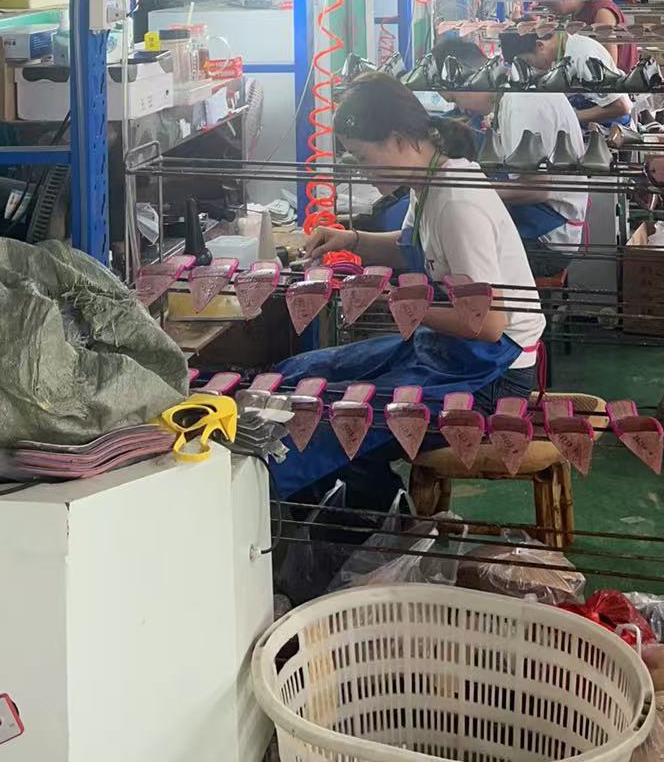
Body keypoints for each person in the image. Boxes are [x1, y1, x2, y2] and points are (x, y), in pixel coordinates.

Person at [269, 75, 544, 502]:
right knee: (295, 377)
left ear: (398, 139)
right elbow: (409, 247)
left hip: (492, 380)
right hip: (450, 351)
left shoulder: (457, 202)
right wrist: (351, 240)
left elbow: (489, 325)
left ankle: (377, 527)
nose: (363, 170)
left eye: (364, 157)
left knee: (338, 424)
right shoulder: (430, 180)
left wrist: (401, 304)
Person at [431, 37, 588, 276]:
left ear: (469, 76)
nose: (461, 110)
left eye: (454, 99)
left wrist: (470, 190)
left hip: (548, 243)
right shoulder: (514, 91)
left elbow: (537, 189)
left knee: (448, 253)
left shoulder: (521, 103)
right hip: (548, 223)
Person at [500, 26, 632, 129]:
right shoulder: (562, 50)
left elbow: (621, 107)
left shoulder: (583, 56)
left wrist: (571, 116)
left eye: (529, 61)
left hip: (610, 128)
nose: (532, 67)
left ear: (540, 46)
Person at [531, 0, 639, 71]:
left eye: (551, 6)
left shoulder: (600, 12)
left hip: (621, 78)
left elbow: (609, 66)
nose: (551, 11)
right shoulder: (578, 12)